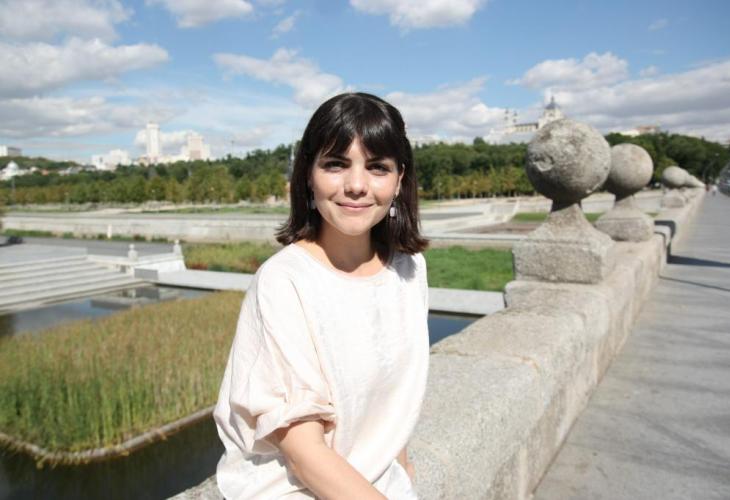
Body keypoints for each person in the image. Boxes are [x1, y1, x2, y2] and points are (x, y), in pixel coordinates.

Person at [213, 92, 430, 499]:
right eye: (336, 164)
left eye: (377, 167)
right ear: (308, 176)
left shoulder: (409, 270)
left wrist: (400, 467)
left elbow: (394, 402)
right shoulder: (283, 281)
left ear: (400, 179)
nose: (356, 186)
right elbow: (304, 454)